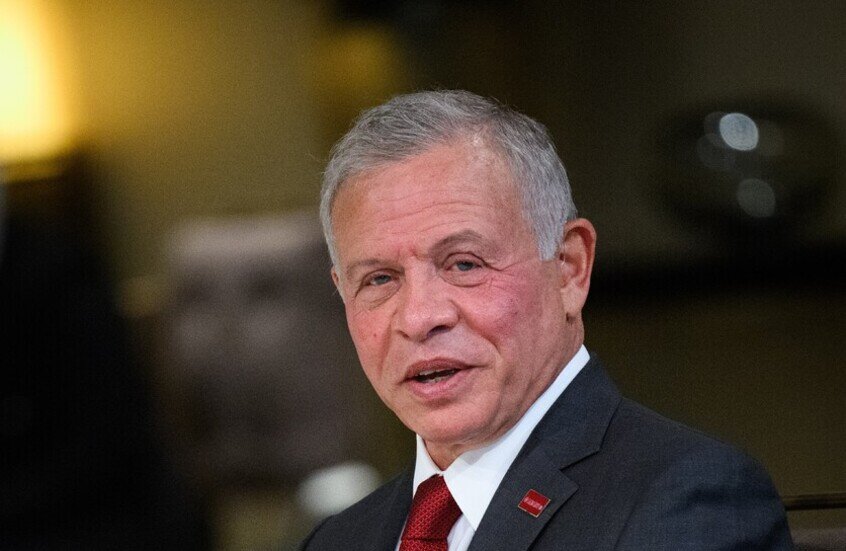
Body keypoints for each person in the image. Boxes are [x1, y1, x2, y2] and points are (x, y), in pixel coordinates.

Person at [300, 90, 792, 550]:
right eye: (379, 279)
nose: (420, 317)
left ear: (569, 269)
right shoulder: (337, 540)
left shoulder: (689, 499)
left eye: (464, 264)